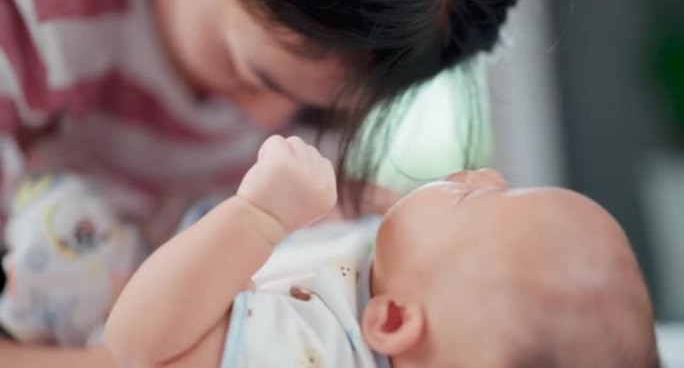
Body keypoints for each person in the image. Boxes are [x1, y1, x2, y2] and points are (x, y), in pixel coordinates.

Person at [0, 0, 527, 365]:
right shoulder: (32, 16)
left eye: (310, 111)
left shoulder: (326, 104)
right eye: (254, 76)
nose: (267, 126)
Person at [106, 135, 659, 368]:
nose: (483, 172)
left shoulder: (309, 349)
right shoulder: (400, 290)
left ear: (391, 319)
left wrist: (260, 217)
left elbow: (136, 343)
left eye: (471, 198)